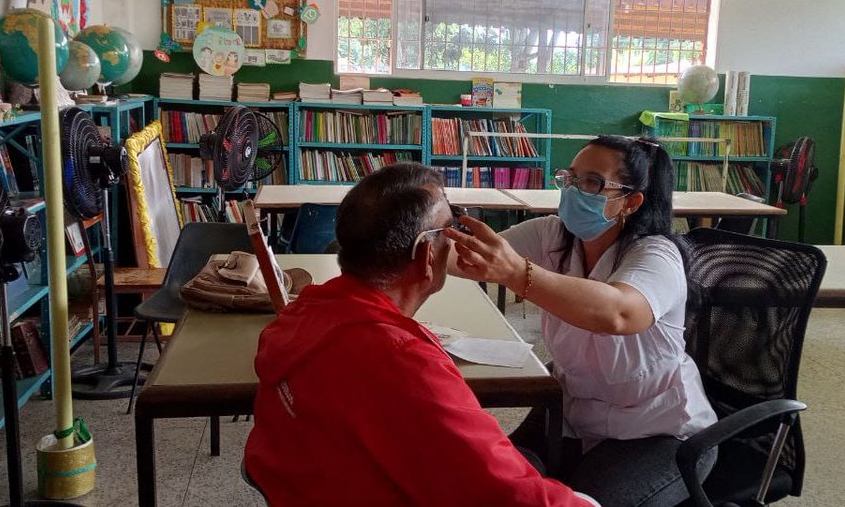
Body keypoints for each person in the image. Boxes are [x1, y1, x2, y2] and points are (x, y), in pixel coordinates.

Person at [244, 163, 597, 506]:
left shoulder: (306, 310)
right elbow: (501, 492)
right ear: (428, 253)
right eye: (451, 228)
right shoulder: (402, 364)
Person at [444, 135, 719, 506]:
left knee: (583, 501)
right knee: (488, 484)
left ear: (631, 202)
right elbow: (464, 259)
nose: (573, 191)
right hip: (573, 412)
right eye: (570, 178)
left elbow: (618, 312)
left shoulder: (657, 254)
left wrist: (516, 273)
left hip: (656, 430)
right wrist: (420, 235)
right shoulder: (552, 234)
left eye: (592, 182)